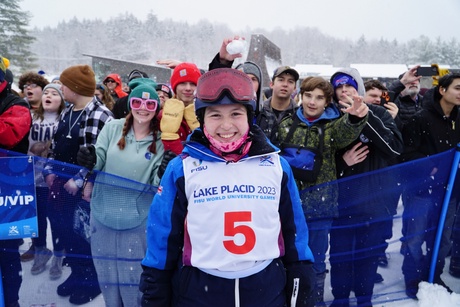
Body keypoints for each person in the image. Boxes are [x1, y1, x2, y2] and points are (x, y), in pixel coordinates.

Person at [140, 68, 316, 307]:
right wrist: (155, 288)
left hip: (265, 288)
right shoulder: (181, 168)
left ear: (249, 117)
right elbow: (163, 235)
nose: (226, 125)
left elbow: (293, 230)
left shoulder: (276, 165)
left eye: (235, 114)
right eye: (215, 115)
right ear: (201, 120)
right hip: (200, 290)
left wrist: (301, 277)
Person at [276, 77, 369, 306]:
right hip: (287, 206)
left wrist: (355, 117)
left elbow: (344, 132)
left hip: (320, 207)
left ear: (328, 102)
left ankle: (313, 299)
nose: (312, 102)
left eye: (319, 98)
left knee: (315, 260)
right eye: (308, 95)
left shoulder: (330, 126)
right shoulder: (286, 122)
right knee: (286, 256)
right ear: (300, 95)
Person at [77, 78, 164, 306]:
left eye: (150, 105)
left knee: (133, 282)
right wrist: (91, 157)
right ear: (130, 104)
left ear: (156, 110)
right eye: (137, 103)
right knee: (106, 278)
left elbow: (156, 184)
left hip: (136, 221)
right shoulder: (114, 127)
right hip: (103, 215)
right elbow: (101, 155)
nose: (143, 109)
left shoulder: (161, 140)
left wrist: (163, 173)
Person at [329, 68, 403, 307]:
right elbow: (322, 160)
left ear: (358, 89)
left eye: (348, 86)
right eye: (338, 88)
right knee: (339, 258)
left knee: (367, 258)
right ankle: (340, 299)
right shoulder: (330, 116)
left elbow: (393, 149)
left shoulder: (379, 112)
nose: (343, 91)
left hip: (374, 203)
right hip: (341, 204)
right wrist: (342, 162)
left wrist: (365, 117)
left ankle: (364, 300)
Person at [43, 64, 113, 305]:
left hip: (83, 189)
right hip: (59, 184)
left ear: (74, 87)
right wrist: (49, 170)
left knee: (83, 235)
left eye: (64, 84)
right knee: (65, 232)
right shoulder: (68, 110)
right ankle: (76, 275)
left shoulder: (100, 113)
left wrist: (80, 180)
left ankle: (90, 281)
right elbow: (55, 145)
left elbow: (101, 155)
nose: (61, 88)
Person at [400, 73, 460, 298]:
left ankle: (434, 275)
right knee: (415, 237)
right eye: (458, 88)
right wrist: (430, 166)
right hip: (421, 190)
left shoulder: (459, 119)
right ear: (442, 90)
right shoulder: (420, 118)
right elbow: (406, 152)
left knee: (443, 239)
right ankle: (413, 278)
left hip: (451, 191)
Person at [0, 56, 31, 307]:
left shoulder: (16, 103)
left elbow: (9, 134)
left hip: (9, 191)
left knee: (7, 254)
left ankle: (11, 302)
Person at [28, 83, 66, 279]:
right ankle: (41, 250)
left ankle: (59, 254)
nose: (48, 96)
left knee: (55, 218)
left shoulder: (64, 119)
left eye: (54, 93)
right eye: (46, 93)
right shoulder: (32, 117)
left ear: (62, 100)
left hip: (53, 179)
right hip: (31, 177)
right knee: (37, 218)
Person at [159, 62, 201, 155]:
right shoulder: (161, 115)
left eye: (193, 84)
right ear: (175, 86)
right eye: (182, 83)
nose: (188, 88)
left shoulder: (206, 114)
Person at [257, 66, 299, 143]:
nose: (285, 84)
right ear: (271, 84)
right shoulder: (259, 112)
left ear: (294, 88)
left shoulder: (299, 116)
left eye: (290, 81)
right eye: (281, 80)